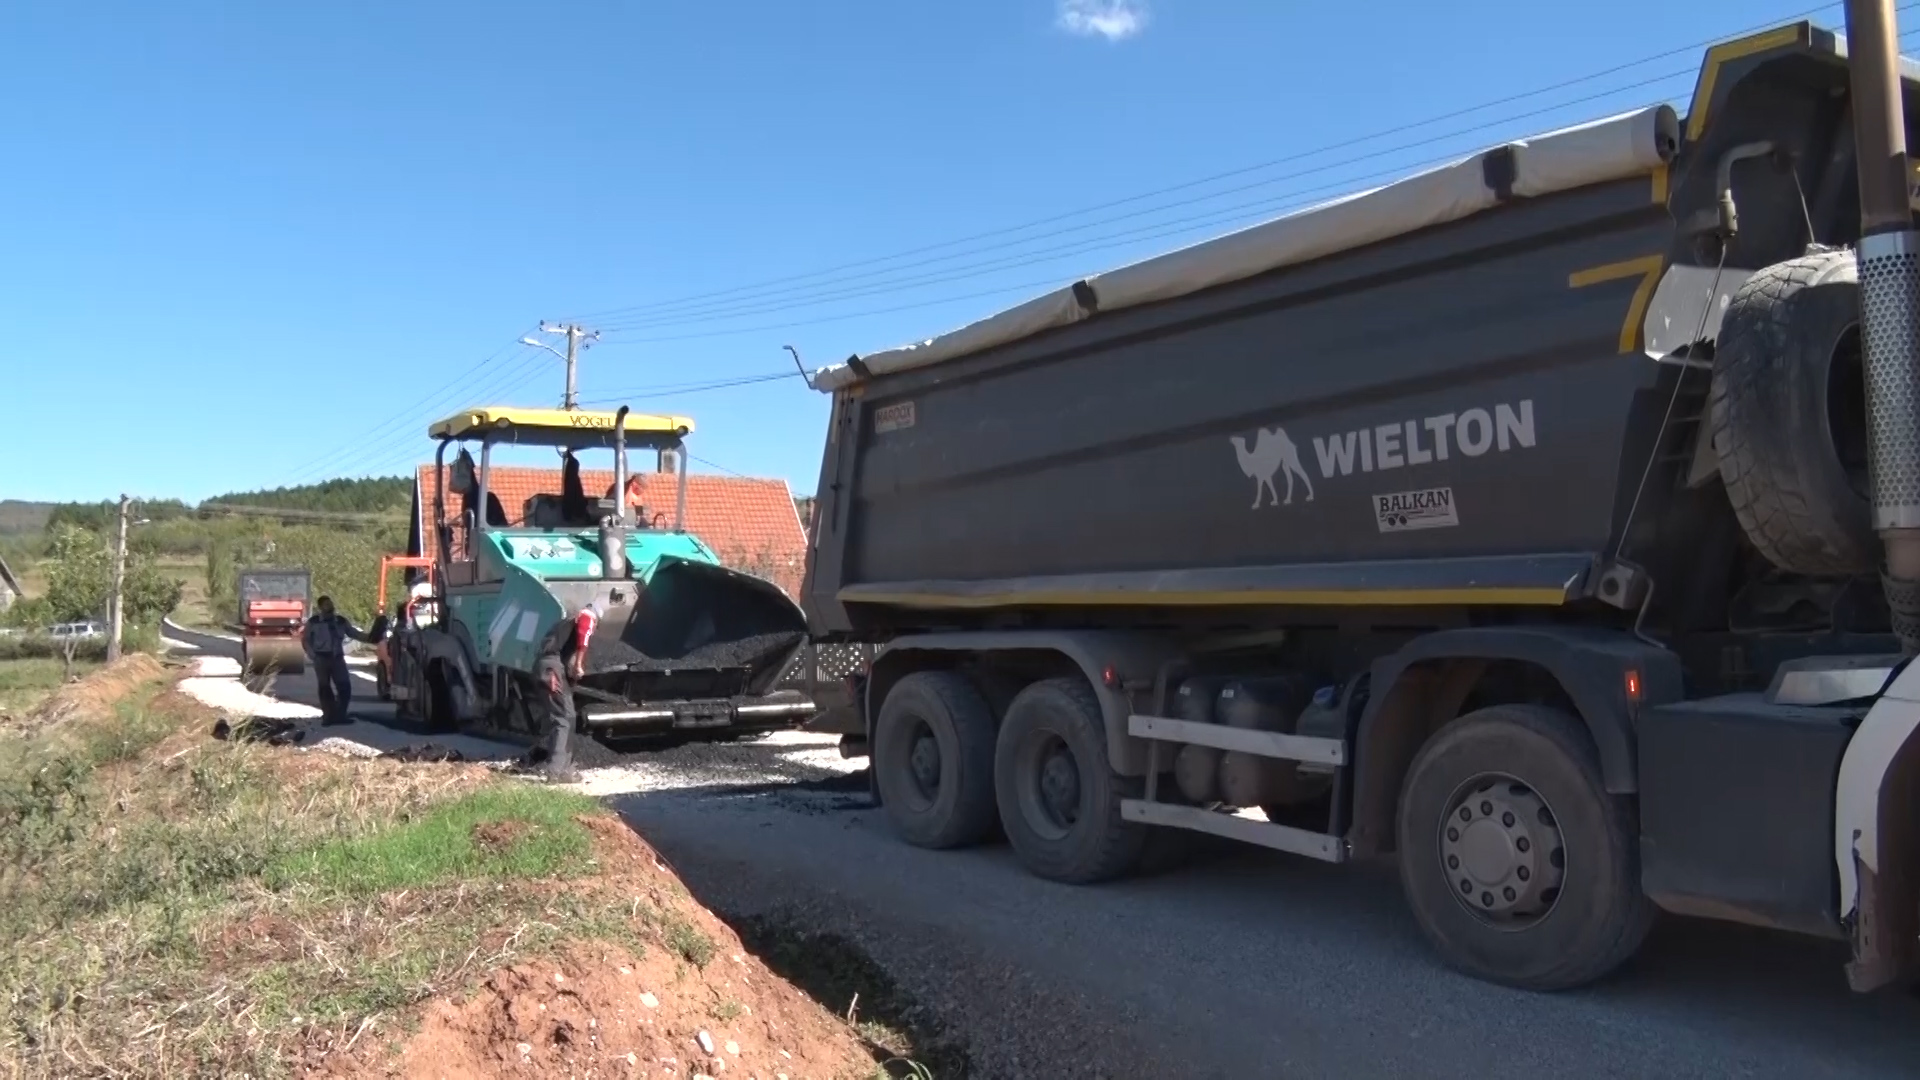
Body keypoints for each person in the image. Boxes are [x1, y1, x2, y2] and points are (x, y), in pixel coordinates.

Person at [531, 599, 605, 783]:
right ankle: (555, 771)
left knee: (564, 716)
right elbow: (585, 632)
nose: (594, 628)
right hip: (551, 669)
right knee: (563, 718)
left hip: (547, 667)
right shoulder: (587, 616)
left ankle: (564, 768)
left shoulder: (564, 625)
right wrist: (579, 665)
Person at [303, 595, 371, 726]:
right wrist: (312, 655)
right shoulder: (314, 622)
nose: (330, 607)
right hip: (321, 657)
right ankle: (328, 716)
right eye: (326, 604)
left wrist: (371, 637)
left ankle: (340, 715)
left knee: (344, 686)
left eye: (330, 604)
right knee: (324, 688)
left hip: (337, 658)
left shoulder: (340, 621)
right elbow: (306, 640)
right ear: (320, 607)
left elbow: (354, 633)